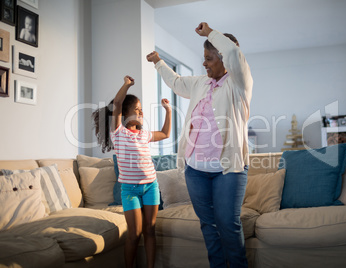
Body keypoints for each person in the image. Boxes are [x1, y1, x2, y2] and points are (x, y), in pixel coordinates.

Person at [147, 22, 253, 268]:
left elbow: (236, 55)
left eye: (208, 58)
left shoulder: (238, 85)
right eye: (203, 58)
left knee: (228, 224)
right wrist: (159, 63)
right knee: (208, 226)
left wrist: (211, 34)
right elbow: (176, 82)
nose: (204, 63)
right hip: (195, 169)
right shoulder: (200, 83)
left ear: (223, 58)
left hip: (227, 170)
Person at [92, 75, 172, 268]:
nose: (141, 111)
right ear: (126, 113)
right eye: (137, 109)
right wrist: (126, 85)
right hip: (129, 190)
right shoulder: (119, 132)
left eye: (141, 108)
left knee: (150, 230)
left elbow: (166, 133)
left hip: (151, 186)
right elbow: (117, 102)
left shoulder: (144, 134)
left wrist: (168, 110)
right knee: (134, 233)